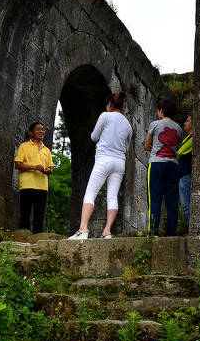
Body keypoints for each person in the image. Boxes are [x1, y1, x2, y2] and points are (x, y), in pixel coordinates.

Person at [69, 92, 132, 240]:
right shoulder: (128, 125)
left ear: (109, 104)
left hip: (104, 159)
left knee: (90, 193)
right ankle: (107, 231)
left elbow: (94, 136)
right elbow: (127, 147)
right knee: (112, 195)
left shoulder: (105, 115)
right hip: (119, 162)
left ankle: (83, 229)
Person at [144, 98, 182, 236]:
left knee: (154, 198)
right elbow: (176, 145)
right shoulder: (178, 128)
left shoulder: (155, 124)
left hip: (156, 163)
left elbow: (146, 144)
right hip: (173, 165)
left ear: (161, 111)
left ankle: (153, 232)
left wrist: (152, 147)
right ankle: (171, 233)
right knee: (172, 200)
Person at [13, 121, 53, 234]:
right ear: (31, 132)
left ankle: (37, 239)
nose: (41, 131)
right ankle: (23, 238)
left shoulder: (47, 150)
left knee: (39, 215)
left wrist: (47, 170)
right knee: (25, 213)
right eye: (38, 129)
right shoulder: (24, 146)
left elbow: (50, 169)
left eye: (43, 129)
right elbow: (18, 164)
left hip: (42, 187)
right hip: (27, 185)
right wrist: (34, 167)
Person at [177, 114, 193, 228]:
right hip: (183, 174)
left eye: (188, 121)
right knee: (185, 205)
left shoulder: (193, 138)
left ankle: (190, 227)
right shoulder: (187, 138)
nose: (185, 123)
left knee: (186, 205)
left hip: (186, 174)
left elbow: (180, 152)